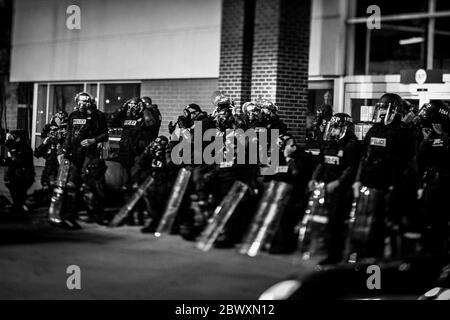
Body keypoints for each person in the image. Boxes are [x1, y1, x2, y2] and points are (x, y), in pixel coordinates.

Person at [352, 93, 416, 259]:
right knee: (367, 225)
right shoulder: (375, 129)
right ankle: (367, 260)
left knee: (386, 228)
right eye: (378, 107)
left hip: (390, 187)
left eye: (383, 107)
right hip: (370, 185)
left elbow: (406, 162)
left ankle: (384, 266)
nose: (380, 110)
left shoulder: (403, 132)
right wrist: (358, 180)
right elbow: (364, 156)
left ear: (394, 110)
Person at [308, 113, 361, 263]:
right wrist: (314, 178)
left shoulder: (352, 145)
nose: (332, 131)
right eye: (331, 127)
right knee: (327, 222)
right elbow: (321, 163)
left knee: (338, 224)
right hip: (327, 188)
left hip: (342, 191)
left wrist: (338, 183)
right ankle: (328, 252)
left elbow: (351, 168)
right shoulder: (330, 143)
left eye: (336, 128)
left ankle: (337, 256)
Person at [63, 92, 108, 229]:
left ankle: (96, 213)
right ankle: (71, 215)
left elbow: (105, 135)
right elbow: (69, 134)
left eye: (85, 102)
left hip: (90, 153)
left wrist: (92, 140)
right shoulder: (73, 115)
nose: (82, 105)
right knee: (72, 184)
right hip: (75, 154)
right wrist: (64, 151)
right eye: (80, 102)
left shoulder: (98, 115)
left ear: (90, 102)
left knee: (88, 183)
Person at [415, 101, 450, 256]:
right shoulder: (428, 137)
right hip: (430, 184)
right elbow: (420, 159)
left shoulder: (447, 138)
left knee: (441, 223)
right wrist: (426, 140)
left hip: (444, 185)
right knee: (428, 221)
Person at [34, 111, 68, 189]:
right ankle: (46, 184)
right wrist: (49, 129)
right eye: (56, 118)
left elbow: (65, 139)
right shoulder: (50, 127)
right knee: (49, 168)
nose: (57, 119)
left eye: (59, 118)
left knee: (60, 169)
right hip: (51, 151)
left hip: (60, 151)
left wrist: (61, 134)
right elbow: (43, 135)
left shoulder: (66, 128)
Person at [3, 130, 35, 214]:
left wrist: (13, 152)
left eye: (12, 137)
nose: (10, 139)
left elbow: (18, 161)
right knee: (13, 187)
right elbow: (10, 162)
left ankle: (20, 207)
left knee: (18, 191)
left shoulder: (25, 148)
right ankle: (18, 205)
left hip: (24, 176)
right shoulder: (16, 146)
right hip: (15, 175)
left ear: (18, 138)